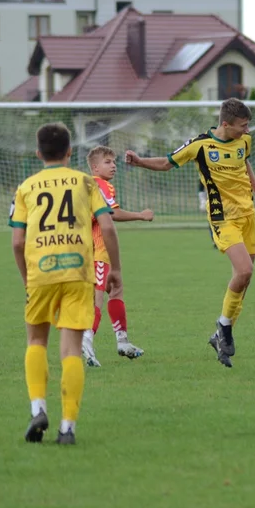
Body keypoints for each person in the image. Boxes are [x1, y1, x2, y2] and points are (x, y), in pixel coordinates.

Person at [125, 97, 255, 368]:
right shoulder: (200, 145)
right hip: (222, 217)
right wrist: (140, 161)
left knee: (245, 279)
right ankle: (224, 327)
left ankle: (220, 335)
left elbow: (245, 161)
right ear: (225, 124)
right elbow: (168, 163)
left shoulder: (244, 141)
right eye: (242, 126)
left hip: (248, 215)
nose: (247, 131)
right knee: (245, 271)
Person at [10, 123, 121, 446]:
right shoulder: (86, 183)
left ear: (38, 153)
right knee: (71, 348)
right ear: (70, 152)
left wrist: (26, 279)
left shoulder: (27, 187)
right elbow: (108, 228)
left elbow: (17, 242)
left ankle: (37, 409)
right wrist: (117, 270)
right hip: (79, 272)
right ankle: (68, 428)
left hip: (41, 271)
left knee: (36, 341)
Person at [83, 146, 151, 367]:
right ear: (95, 167)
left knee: (115, 289)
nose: (113, 165)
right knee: (98, 297)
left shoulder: (90, 185)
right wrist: (141, 215)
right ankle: (86, 341)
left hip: (92, 248)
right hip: (98, 249)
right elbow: (112, 213)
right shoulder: (99, 184)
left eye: (113, 161)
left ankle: (122, 341)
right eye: (107, 162)